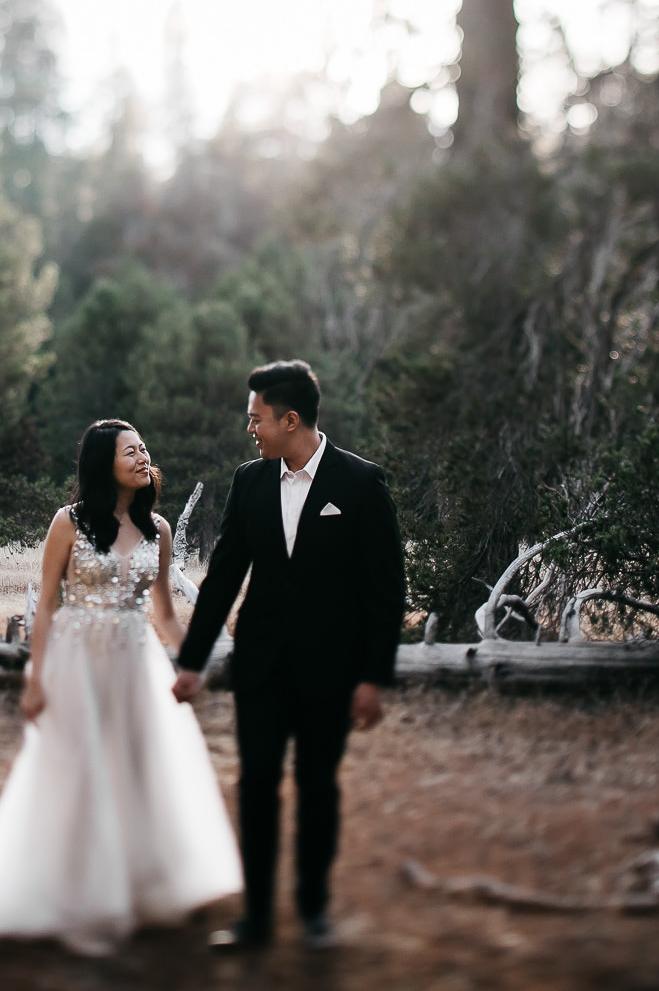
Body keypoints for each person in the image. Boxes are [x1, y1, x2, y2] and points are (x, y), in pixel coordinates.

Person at [0, 419, 242, 956]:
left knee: (132, 767)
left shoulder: (159, 530)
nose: (143, 457)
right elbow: (47, 608)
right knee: (78, 771)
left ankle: (134, 887)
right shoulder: (68, 523)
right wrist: (36, 678)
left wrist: (195, 660)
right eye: (130, 451)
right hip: (75, 660)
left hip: (134, 662)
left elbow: (165, 615)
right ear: (104, 462)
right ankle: (72, 893)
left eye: (145, 448)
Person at [172, 360, 407, 951]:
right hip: (261, 667)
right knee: (255, 787)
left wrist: (375, 677)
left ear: (290, 419)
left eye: (256, 418)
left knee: (317, 786)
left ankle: (313, 912)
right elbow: (223, 578)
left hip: (332, 672)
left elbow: (387, 591)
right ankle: (254, 919)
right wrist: (192, 661)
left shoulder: (360, 484)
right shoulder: (249, 482)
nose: (249, 427)